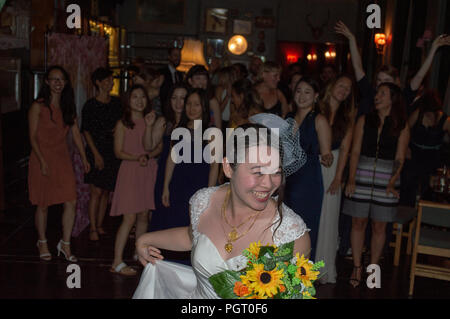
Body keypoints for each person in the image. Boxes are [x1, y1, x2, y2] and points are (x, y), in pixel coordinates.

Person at [133, 122, 311, 299]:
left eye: (276, 172)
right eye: (257, 172)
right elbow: (192, 236)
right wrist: (146, 239)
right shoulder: (203, 202)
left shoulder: (290, 234)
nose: (268, 183)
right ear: (228, 168)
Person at [343, 82, 409, 288]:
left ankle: (373, 269)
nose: (377, 96)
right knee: (358, 222)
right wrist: (351, 178)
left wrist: (392, 182)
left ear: (393, 99)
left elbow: (400, 157)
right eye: (377, 92)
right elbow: (354, 151)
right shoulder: (364, 120)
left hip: (387, 178)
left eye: (382, 93)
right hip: (361, 174)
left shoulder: (402, 125)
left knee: (380, 226)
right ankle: (356, 266)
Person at [28, 65, 90, 262]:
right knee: (43, 203)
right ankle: (42, 241)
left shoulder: (68, 107)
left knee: (71, 200)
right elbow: (32, 137)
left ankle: (65, 243)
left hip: (62, 159)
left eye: (61, 79)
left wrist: (84, 157)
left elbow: (76, 135)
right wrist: (42, 161)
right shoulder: (38, 106)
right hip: (41, 158)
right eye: (54, 79)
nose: (58, 83)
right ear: (46, 82)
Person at [335, 21, 450, 116]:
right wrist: (351, 39)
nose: (382, 84)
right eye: (379, 80)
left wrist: (434, 49)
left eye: (387, 81)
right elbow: (358, 67)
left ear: (396, 82)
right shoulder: (371, 94)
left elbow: (420, 75)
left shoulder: (402, 99)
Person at [150, 89, 219, 238]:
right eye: (188, 104)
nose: (191, 108)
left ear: (204, 107)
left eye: (196, 105)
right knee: (175, 223)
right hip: (178, 184)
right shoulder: (178, 129)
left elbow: (214, 166)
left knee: (196, 227)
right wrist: (166, 186)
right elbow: (171, 159)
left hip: (199, 184)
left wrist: (209, 193)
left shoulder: (212, 132)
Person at [109, 85, 159, 276]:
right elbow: (118, 151)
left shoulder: (150, 120)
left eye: (142, 96)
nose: (139, 100)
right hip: (130, 170)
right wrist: (137, 157)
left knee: (143, 216)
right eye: (134, 96)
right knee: (129, 217)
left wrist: (148, 155)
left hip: (147, 170)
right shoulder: (123, 123)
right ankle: (116, 261)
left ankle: (139, 253)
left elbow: (158, 146)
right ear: (128, 100)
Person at [284, 77, 333, 262]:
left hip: (308, 181)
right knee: (285, 229)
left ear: (316, 96)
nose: (302, 96)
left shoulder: (319, 119)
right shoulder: (288, 118)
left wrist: (327, 157)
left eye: (307, 92)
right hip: (287, 179)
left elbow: (326, 155)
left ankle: (302, 278)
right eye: (298, 91)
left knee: (304, 230)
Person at [315, 74, 356, 284]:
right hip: (314, 165)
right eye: (341, 85)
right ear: (331, 86)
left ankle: (323, 267)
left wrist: (339, 177)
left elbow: (346, 149)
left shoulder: (347, 117)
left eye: (348, 89)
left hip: (334, 169)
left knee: (329, 217)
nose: (344, 90)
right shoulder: (316, 109)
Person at [81, 67, 122, 241]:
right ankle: (92, 227)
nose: (110, 82)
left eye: (111, 79)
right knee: (96, 191)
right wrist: (96, 154)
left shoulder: (116, 103)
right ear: (98, 82)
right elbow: (86, 131)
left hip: (112, 150)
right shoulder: (90, 105)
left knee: (106, 191)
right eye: (106, 80)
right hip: (96, 149)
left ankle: (99, 224)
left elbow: (122, 122)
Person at [149, 83, 188, 232]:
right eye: (174, 98)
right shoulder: (164, 122)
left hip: (185, 175)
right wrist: (149, 126)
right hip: (165, 170)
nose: (178, 103)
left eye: (183, 98)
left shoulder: (194, 124)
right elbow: (151, 146)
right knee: (162, 213)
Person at [400, 90, 450, 206]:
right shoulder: (418, 113)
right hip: (415, 153)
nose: (429, 115)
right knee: (409, 183)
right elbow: (405, 129)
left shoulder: (445, 120)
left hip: (432, 157)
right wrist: (405, 146)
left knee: (429, 186)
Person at [186, 65, 222, 129]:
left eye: (204, 78)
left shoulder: (212, 101)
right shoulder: (185, 98)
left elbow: (218, 127)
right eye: (198, 78)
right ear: (190, 81)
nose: (202, 82)